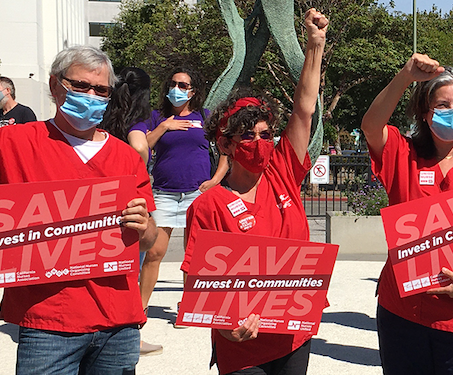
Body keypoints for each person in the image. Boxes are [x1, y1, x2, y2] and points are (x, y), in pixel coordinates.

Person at [0, 47, 158, 374]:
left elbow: (148, 241)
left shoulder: (127, 157)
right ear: (55, 85)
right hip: (48, 324)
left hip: (118, 324)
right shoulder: (13, 142)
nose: (91, 95)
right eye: (81, 86)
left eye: (101, 90)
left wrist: (144, 227)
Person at [179, 9, 327, 375]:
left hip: (293, 334)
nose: (259, 143)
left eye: (265, 134)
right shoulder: (208, 205)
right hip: (242, 345)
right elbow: (195, 279)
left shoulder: (282, 173)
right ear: (225, 144)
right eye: (247, 135)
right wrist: (225, 327)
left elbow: (305, 109)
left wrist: (315, 46)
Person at [362, 53, 453, 375]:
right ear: (426, 114)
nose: (451, 112)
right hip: (402, 316)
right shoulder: (404, 155)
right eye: (442, 105)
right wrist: (405, 76)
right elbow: (371, 126)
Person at [128, 67, 229, 337]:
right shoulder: (155, 117)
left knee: (194, 255)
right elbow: (142, 148)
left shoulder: (205, 117)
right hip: (163, 193)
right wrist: (164, 127)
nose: (177, 89)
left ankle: (189, 306)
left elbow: (225, 150)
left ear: (193, 91)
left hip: (196, 194)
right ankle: (140, 307)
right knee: (154, 252)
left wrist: (216, 180)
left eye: (183, 85)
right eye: (173, 84)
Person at [96, 66, 165, 356]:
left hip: (101, 198)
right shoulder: (136, 122)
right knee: (131, 268)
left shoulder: (105, 117)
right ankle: (130, 337)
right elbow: (138, 148)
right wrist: (138, 170)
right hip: (129, 203)